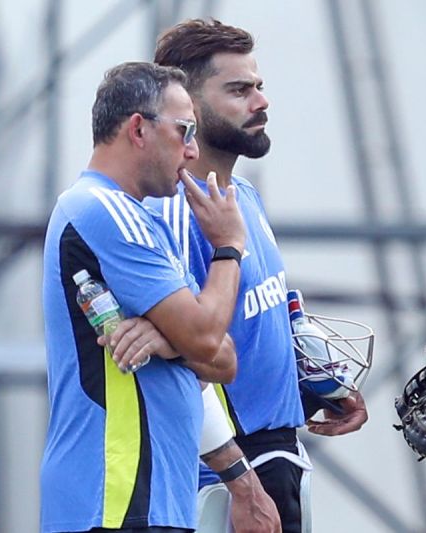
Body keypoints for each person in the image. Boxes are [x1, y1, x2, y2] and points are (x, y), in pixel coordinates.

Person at [147, 19, 369, 533]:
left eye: (259, 86)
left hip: (281, 455)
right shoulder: (174, 214)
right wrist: (238, 481)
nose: (260, 102)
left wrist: (325, 387)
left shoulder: (244, 198)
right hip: (226, 475)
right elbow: (189, 357)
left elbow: (267, 317)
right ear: (188, 107)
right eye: (238, 90)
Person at [40, 61, 274, 533]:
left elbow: (224, 360)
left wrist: (171, 339)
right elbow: (208, 339)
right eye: (185, 131)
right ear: (138, 129)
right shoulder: (104, 209)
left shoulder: (143, 221)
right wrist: (228, 246)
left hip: (149, 500)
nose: (191, 151)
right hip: (114, 495)